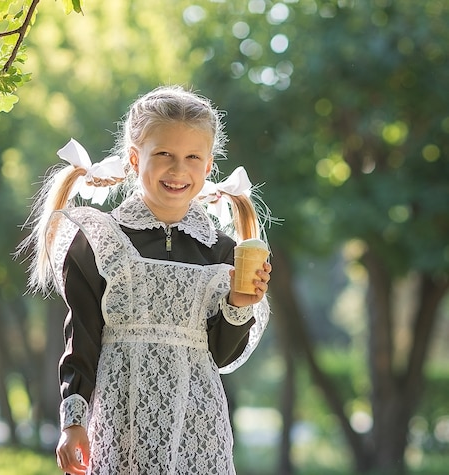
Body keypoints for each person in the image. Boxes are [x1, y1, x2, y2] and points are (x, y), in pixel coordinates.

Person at [18, 85, 272, 475]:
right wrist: (72, 423)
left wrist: (240, 303)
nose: (178, 169)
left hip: (199, 427)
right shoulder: (99, 240)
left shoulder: (222, 251)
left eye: (192, 157)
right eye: (164, 154)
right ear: (135, 159)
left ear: (208, 168)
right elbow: (83, 336)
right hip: (121, 422)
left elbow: (219, 357)